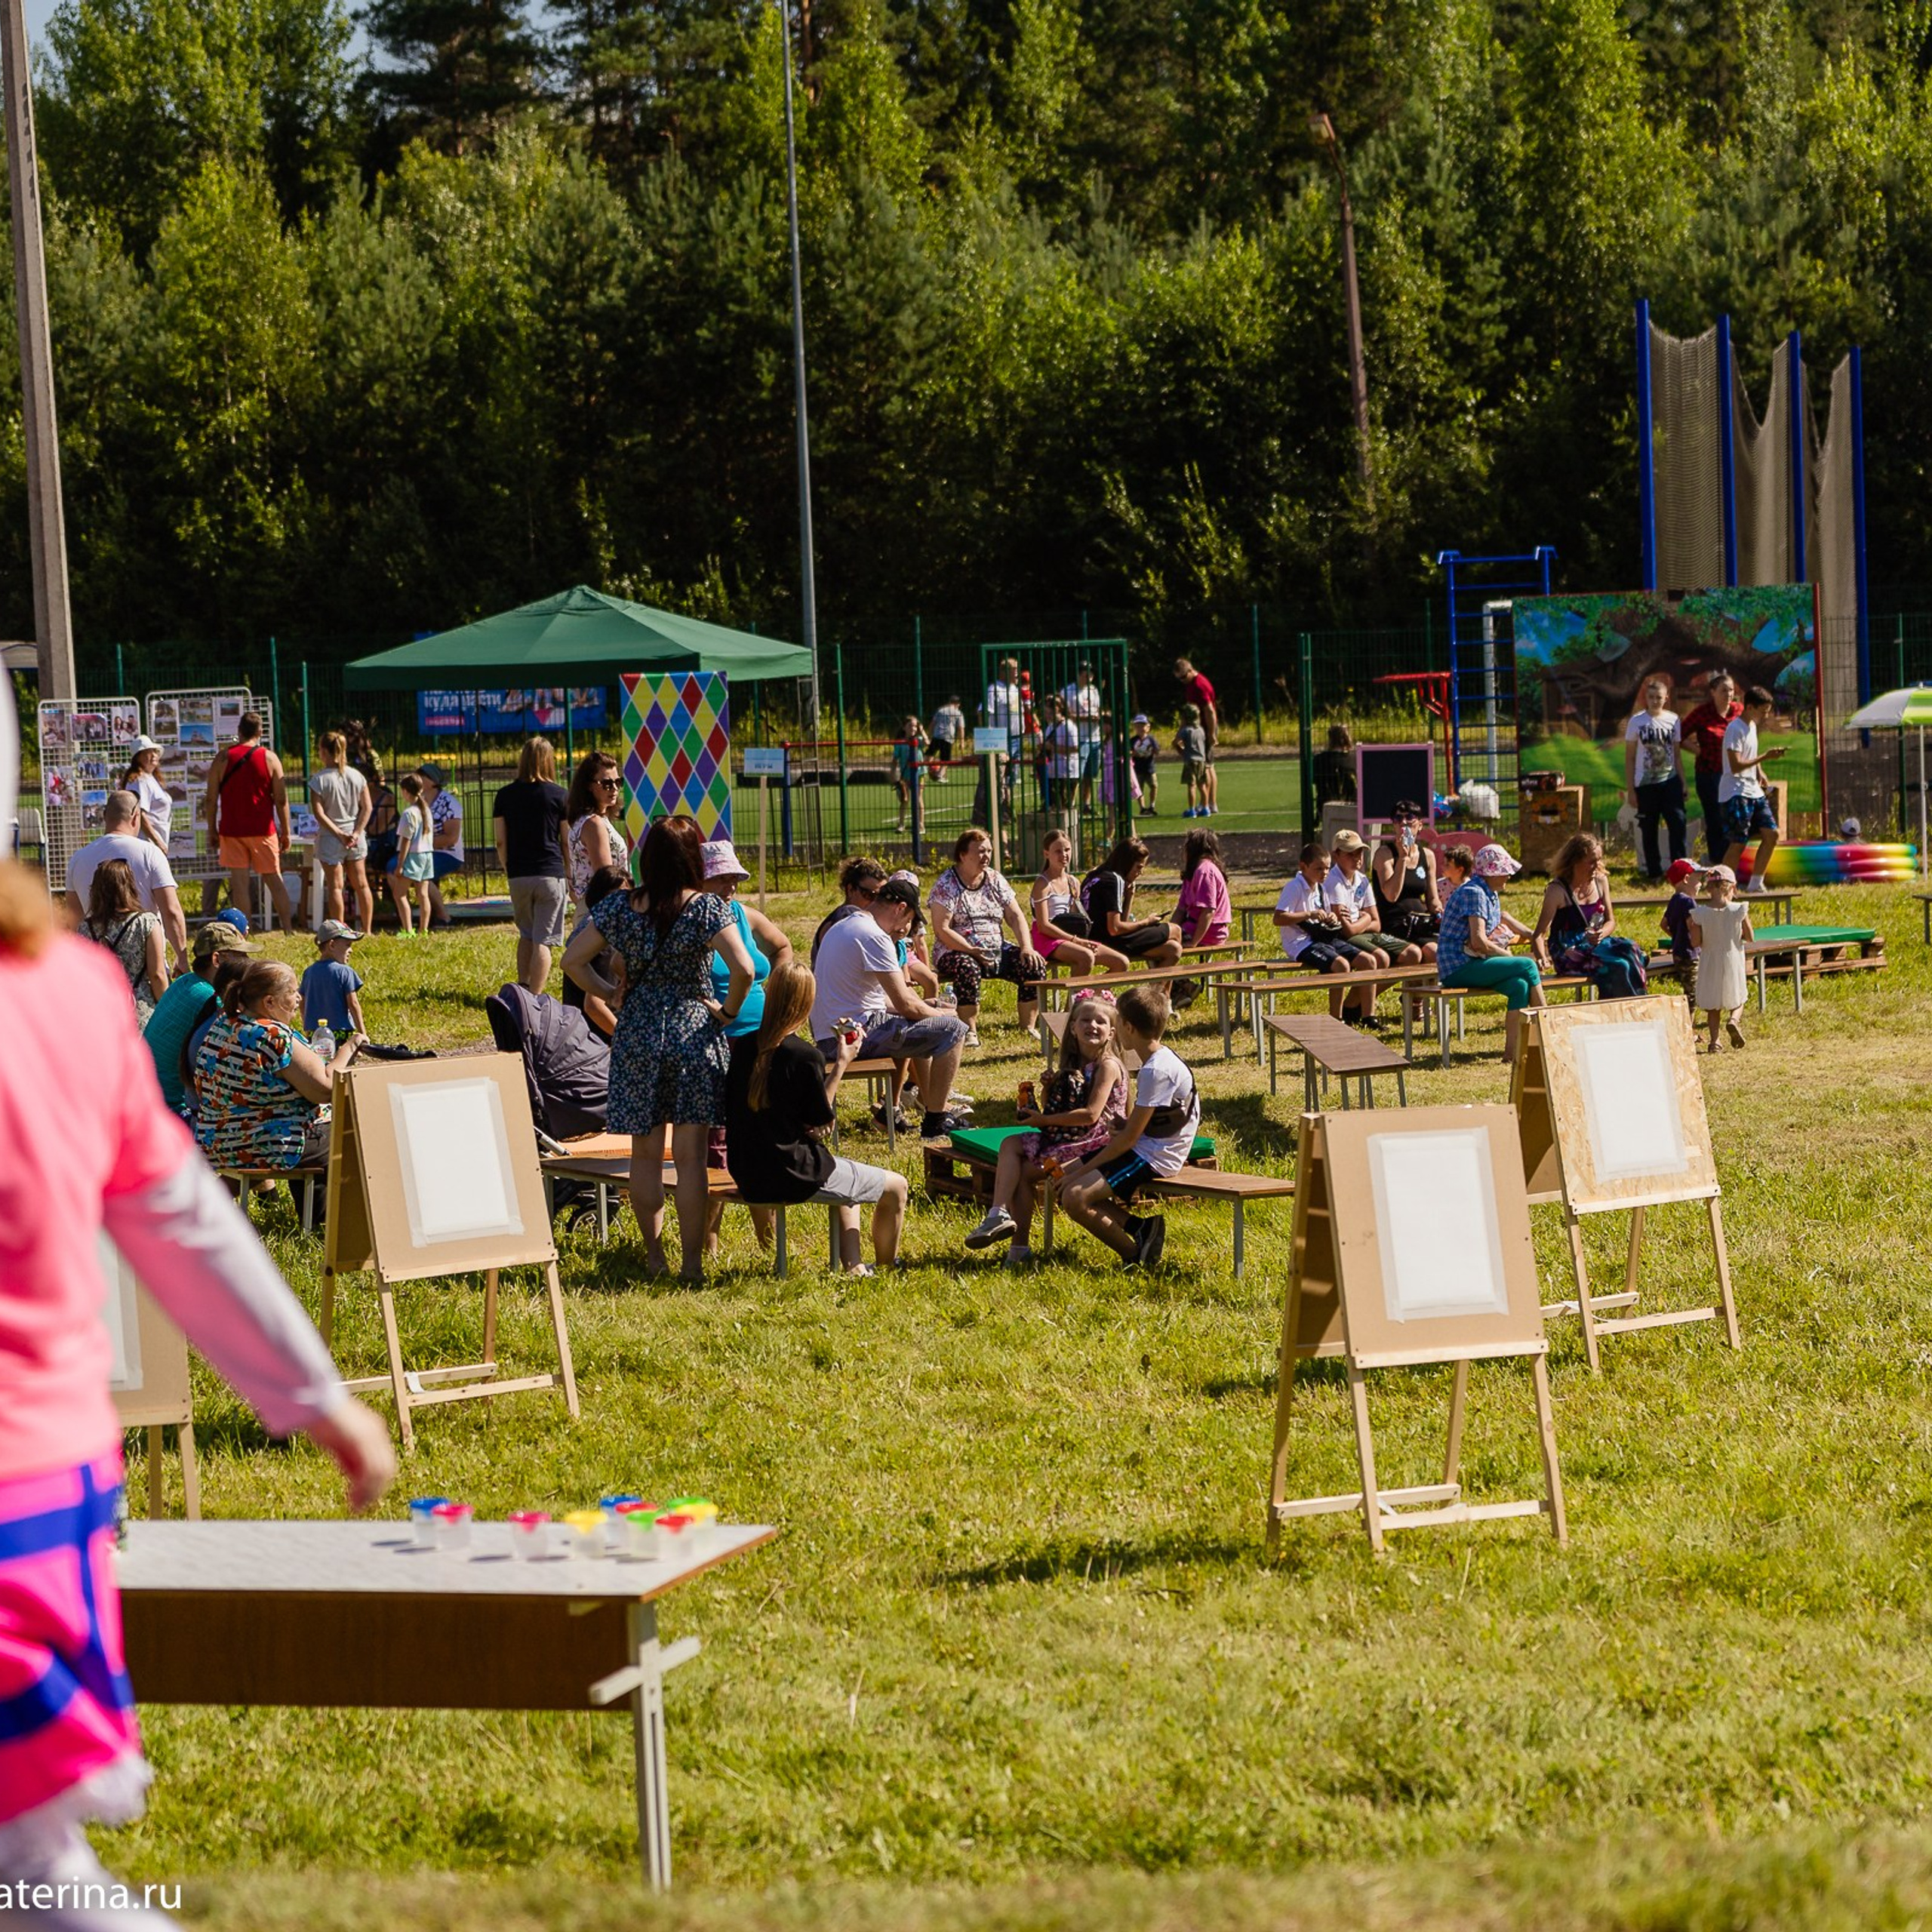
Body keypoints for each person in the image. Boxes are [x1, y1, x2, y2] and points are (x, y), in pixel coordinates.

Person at [0, 847, 393, 1924]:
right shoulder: (71, 991)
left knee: (33, 1873)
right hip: (50, 1488)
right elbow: (178, 1218)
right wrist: (314, 1395)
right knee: (34, 1865)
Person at [562, 816, 756, 1287]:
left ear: (647, 857)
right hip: (693, 1033)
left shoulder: (619, 906)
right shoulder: (707, 908)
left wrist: (611, 994)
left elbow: (571, 961)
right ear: (693, 859)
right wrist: (728, 1012)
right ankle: (692, 1265)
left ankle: (654, 1257)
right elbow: (746, 969)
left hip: (637, 1034)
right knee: (690, 1159)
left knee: (645, 1156)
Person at [725, 961, 908, 1275]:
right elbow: (821, 1122)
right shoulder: (804, 1055)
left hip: (748, 1171)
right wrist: (842, 1063)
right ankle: (887, 1266)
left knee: (850, 1182)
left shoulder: (743, 1047)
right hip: (792, 1173)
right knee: (897, 1187)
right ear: (807, 1002)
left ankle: (854, 1266)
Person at [964, 989, 1128, 1266]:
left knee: (1021, 1172)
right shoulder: (1075, 1064)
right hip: (1070, 1136)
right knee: (1010, 1143)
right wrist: (1048, 1090)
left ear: (1112, 1033)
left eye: (1101, 1022)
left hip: (1094, 1142)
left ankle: (1017, 1248)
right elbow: (1056, 1108)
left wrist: (1042, 1122)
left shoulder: (1108, 1066)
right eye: (1085, 1020)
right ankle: (997, 1214)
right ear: (1073, 1028)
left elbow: (1090, 1115)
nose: (1092, 1025)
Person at [810, 875, 970, 1135]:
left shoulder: (846, 925)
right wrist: (940, 1014)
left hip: (831, 1033)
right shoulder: (875, 935)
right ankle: (937, 1120)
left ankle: (908, 1107)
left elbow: (873, 999)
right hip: (851, 1036)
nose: (906, 928)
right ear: (901, 908)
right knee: (955, 1030)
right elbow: (906, 1005)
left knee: (923, 1023)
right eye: (909, 920)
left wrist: (925, 1007)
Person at [1057, 985, 1199, 1272]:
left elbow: (1127, 1141)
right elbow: (1158, 1117)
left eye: (1117, 1020)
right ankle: (1141, 1228)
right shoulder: (1158, 1060)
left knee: (1074, 1196)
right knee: (1061, 1175)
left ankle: (1137, 1257)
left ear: (1128, 1027)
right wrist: (1126, 1123)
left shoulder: (1156, 1070)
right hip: (1147, 1144)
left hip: (1156, 1157)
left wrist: (1082, 1173)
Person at [194, 960, 361, 1171]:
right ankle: (320, 1194)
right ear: (270, 1002)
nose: (299, 998)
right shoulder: (273, 1036)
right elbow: (325, 1089)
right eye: (292, 992)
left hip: (215, 1143)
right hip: (266, 1144)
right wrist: (351, 1046)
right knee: (348, 1139)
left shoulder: (224, 1024)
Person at [929, 828, 1048, 1044]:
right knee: (967, 967)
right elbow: (942, 929)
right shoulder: (946, 884)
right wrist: (970, 950)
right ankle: (969, 1030)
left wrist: (1026, 947)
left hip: (996, 947)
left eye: (989, 851)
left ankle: (1028, 1026)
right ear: (963, 855)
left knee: (1033, 965)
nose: (986, 856)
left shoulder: (994, 878)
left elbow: (1015, 916)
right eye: (980, 852)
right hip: (956, 949)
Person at [1435, 842, 1545, 1064]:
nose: (1509, 876)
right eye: (1505, 871)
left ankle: (1511, 1054)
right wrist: (1510, 958)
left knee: (1519, 986)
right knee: (1527, 965)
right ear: (1491, 873)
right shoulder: (1474, 893)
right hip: (1458, 966)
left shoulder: (1490, 894)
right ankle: (1549, 1028)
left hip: (1474, 962)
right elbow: (1479, 942)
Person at [64, 792, 188, 973]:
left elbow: (74, 920)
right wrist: (182, 958)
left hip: (99, 968)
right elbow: (171, 911)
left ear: (105, 815)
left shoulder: (78, 859)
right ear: (136, 816)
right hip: (148, 967)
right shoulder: (150, 854)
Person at [145, 920, 252, 1115]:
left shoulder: (185, 981)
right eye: (240, 955)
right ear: (216, 959)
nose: (247, 961)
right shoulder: (208, 998)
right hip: (171, 1110)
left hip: (146, 1099)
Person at [203, 710, 294, 934]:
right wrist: (286, 831)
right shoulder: (270, 758)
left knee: (239, 884)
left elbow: (211, 799)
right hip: (263, 829)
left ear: (239, 731)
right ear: (260, 732)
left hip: (232, 829)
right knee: (274, 880)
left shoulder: (223, 758)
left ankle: (246, 931)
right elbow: (281, 799)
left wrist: (212, 829)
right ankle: (288, 928)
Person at [493, 737, 571, 995]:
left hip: (519, 874)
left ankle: (523, 989)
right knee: (544, 940)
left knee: (526, 933)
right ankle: (536, 998)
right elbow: (566, 841)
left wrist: (508, 868)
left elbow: (500, 840)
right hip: (550, 874)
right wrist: (569, 872)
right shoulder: (560, 795)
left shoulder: (505, 795)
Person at [1531, 832, 1647, 1000]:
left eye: (1599, 860)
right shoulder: (1557, 890)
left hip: (1596, 945)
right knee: (1619, 966)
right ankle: (1617, 1010)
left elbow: (1610, 921)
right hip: (1569, 952)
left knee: (1632, 949)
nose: (1597, 866)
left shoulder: (1600, 881)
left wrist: (1601, 933)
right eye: (1592, 861)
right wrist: (1542, 958)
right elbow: (1539, 934)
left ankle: (1639, 1003)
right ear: (1574, 861)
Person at [1274, 841, 1375, 1020]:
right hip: (1300, 944)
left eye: (1328, 868)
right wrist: (1308, 914)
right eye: (1319, 869)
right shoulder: (1294, 887)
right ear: (1303, 867)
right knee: (1342, 965)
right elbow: (1279, 918)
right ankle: (1337, 1018)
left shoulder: (1321, 888)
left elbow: (1327, 914)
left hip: (1321, 938)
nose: (1325, 873)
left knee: (1369, 961)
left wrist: (1332, 918)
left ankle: (1368, 1016)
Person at [1325, 828, 1421, 1016]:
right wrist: (1366, 918)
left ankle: (1353, 1004)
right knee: (1381, 958)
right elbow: (1348, 931)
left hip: (1365, 932)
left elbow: (1377, 923)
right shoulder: (1333, 882)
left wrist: (1365, 920)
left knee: (1413, 954)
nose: (1357, 858)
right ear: (1336, 855)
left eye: (1360, 853)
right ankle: (1366, 1013)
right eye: (1350, 854)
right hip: (1343, 937)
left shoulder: (1362, 880)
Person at [76, 858, 167, 1027]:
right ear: (129, 886)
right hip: (139, 1013)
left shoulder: (84, 928)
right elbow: (157, 975)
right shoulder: (146, 922)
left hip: (99, 1014)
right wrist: (167, 1010)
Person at [1029, 828, 1128, 978]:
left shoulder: (1073, 882)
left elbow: (1076, 918)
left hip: (1068, 936)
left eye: (1067, 850)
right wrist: (1076, 941)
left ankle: (1094, 991)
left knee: (1121, 962)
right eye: (1058, 851)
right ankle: (1075, 994)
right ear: (1046, 854)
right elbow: (1043, 926)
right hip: (1047, 938)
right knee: (1086, 957)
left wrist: (1080, 940)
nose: (1064, 855)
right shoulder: (1042, 884)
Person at [1081, 835, 1183, 968]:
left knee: (1173, 949)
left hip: (1096, 936)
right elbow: (1115, 929)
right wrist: (1147, 922)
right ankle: (1179, 980)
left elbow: (1121, 922)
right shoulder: (1114, 879)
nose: (1140, 873)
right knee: (1175, 930)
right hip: (1108, 941)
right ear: (1127, 863)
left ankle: (1159, 982)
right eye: (1139, 867)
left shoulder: (1094, 876)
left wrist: (1129, 896)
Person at [1719, 685, 1784, 890]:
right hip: (1736, 792)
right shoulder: (1734, 729)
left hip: (1754, 791)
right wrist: (1765, 757)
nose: (1766, 715)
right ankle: (1722, 887)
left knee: (1772, 835)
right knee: (1739, 842)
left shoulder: (1753, 727)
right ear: (1749, 707)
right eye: (1763, 711)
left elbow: (1751, 756)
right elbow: (1736, 765)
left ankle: (1756, 884)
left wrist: (1759, 771)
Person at [309, 729, 374, 934]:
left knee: (336, 887)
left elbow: (319, 813)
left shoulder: (319, 780)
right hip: (356, 837)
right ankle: (367, 930)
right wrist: (356, 832)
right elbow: (367, 807)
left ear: (323, 752)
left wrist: (339, 834)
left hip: (331, 838)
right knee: (362, 885)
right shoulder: (357, 776)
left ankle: (340, 932)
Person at [1623, 675, 1687, 878]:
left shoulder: (1673, 720)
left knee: (1678, 823)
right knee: (1649, 828)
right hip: (1646, 783)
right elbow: (1630, 758)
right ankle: (1654, 872)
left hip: (1670, 780)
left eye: (1659, 697)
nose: (1655, 701)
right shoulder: (1636, 721)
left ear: (1666, 698)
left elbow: (1677, 755)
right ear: (1645, 698)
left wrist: (1683, 782)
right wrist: (1631, 790)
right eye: (1651, 697)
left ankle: (1679, 871)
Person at [1679, 672, 1741, 866]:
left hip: (1734, 774)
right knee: (1715, 818)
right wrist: (1699, 751)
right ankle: (1717, 861)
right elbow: (1679, 736)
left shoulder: (1739, 711)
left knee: (1734, 817)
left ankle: (1734, 862)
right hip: (1709, 774)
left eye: (1731, 690)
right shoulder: (1702, 713)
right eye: (1724, 690)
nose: (1728, 694)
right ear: (1713, 692)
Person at [561, 863, 630, 1037]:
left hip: (575, 1036)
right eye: (620, 896)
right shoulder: (605, 940)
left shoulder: (586, 929)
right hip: (595, 1041)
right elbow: (594, 1006)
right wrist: (625, 1039)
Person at [1690, 863, 1753, 1051]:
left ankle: (1715, 1042)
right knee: (1739, 997)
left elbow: (1695, 942)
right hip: (1732, 958)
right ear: (1732, 887)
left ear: (1709, 888)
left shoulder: (1700, 913)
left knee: (1713, 1005)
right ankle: (1733, 1020)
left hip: (1710, 961)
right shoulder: (1738, 910)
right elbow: (1750, 937)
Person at [564, 750, 630, 916]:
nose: (614, 788)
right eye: (606, 783)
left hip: (592, 908)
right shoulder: (594, 824)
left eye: (618, 782)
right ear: (589, 786)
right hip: (601, 910)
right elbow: (607, 878)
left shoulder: (586, 820)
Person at [1371, 801, 1441, 956]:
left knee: (1439, 950)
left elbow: (1432, 899)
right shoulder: (1385, 854)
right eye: (1398, 818)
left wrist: (1439, 912)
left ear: (1420, 825)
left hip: (1419, 923)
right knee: (1419, 953)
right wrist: (1402, 859)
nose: (1403, 822)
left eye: (1409, 817)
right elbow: (1391, 895)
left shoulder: (1428, 855)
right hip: (1395, 922)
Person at [812, 856, 890, 964]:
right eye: (869, 895)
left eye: (882, 897)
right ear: (851, 890)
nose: (876, 902)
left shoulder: (868, 921)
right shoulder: (840, 921)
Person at [415, 761, 465, 925]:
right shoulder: (418, 802)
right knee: (393, 869)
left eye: (421, 776)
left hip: (447, 854)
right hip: (420, 852)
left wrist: (421, 845)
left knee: (419, 872)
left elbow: (451, 838)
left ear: (432, 781)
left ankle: (443, 917)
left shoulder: (449, 803)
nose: (417, 779)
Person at [301, 919, 366, 1037]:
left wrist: (307, 1028)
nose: (351, 950)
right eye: (348, 945)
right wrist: (363, 1034)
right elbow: (353, 1004)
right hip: (340, 1033)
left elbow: (302, 1001)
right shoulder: (345, 972)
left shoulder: (309, 972)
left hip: (315, 1033)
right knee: (344, 1050)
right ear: (332, 945)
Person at [389, 772, 433, 935]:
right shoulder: (426, 810)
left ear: (406, 791)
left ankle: (408, 931)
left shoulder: (409, 813)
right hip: (427, 854)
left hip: (413, 855)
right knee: (423, 894)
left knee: (399, 894)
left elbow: (406, 841)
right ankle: (424, 929)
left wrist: (400, 865)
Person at [1173, 657, 1219, 814]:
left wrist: (1211, 733)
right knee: (1207, 766)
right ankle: (1209, 803)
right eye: (1179, 679)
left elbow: (1210, 711)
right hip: (1199, 729)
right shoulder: (1191, 684)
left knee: (1206, 767)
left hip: (1204, 730)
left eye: (1183, 677)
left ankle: (1208, 804)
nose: (1182, 681)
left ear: (1191, 671)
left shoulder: (1199, 685)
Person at [1174, 827, 1233, 949]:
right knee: (1156, 938)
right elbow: (1181, 910)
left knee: (1158, 946)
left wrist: (1193, 942)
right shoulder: (1192, 872)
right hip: (1191, 927)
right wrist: (1169, 930)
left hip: (1207, 932)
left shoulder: (1205, 871)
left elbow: (1208, 911)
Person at [1060, 660, 1105, 811]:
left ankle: (1086, 804)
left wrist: (1100, 716)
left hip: (1095, 737)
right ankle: (1070, 803)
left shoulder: (1093, 690)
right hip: (1078, 738)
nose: (1089, 678)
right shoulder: (1068, 692)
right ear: (1079, 675)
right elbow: (1063, 715)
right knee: (1075, 774)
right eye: (1086, 675)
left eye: (1091, 675)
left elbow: (1098, 709)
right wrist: (1085, 718)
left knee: (1090, 775)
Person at [981, 654, 1025, 808]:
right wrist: (992, 742)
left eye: (1017, 669)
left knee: (1012, 777)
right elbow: (983, 713)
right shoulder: (994, 690)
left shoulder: (1015, 689)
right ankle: (998, 807)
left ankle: (1008, 808)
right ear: (1004, 671)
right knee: (999, 776)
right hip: (1001, 739)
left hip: (1017, 738)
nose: (1017, 672)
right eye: (1014, 669)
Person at [122, 735, 171, 852]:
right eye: (148, 752)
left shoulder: (151, 778)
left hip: (154, 844)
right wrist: (158, 842)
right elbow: (140, 815)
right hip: (147, 844)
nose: (154, 755)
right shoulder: (140, 781)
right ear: (138, 757)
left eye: (155, 751)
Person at [1661, 855, 1701, 992]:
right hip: (1691, 954)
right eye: (1698, 880)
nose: (1701, 884)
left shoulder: (1674, 900)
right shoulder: (1689, 902)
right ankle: (1691, 1008)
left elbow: (1663, 924)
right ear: (1686, 879)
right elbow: (1693, 926)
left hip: (1678, 952)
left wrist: (1677, 937)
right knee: (1694, 991)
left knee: (1688, 988)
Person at [1035, 693, 1079, 811]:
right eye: (1045, 713)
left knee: (1064, 808)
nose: (1047, 716)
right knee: (1054, 806)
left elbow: (1075, 748)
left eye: (1050, 713)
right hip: (1052, 772)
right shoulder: (1050, 727)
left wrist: (1052, 747)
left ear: (1059, 710)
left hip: (1067, 773)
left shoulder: (1068, 726)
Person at [1174, 704, 1210, 819]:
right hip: (1201, 760)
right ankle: (1205, 808)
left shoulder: (1185, 730)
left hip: (1190, 761)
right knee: (1202, 785)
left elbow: (1176, 742)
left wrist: (1181, 750)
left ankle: (1192, 810)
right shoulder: (1201, 730)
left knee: (1191, 786)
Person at [1312, 724, 1357, 814]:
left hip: (1325, 807)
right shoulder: (1355, 759)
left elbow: (1314, 781)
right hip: (1352, 807)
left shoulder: (1319, 760)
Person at [893, 717, 928, 832]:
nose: (913, 728)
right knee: (905, 800)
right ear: (904, 727)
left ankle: (921, 825)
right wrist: (894, 777)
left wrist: (922, 730)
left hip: (919, 774)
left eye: (915, 726)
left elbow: (928, 743)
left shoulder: (919, 739)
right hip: (905, 775)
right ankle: (901, 824)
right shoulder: (900, 743)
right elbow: (895, 761)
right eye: (910, 726)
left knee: (918, 798)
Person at [928, 695, 965, 779]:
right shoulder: (958, 713)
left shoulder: (940, 710)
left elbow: (932, 724)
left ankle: (929, 769)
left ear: (949, 702)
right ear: (958, 704)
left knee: (930, 754)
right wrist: (962, 742)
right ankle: (940, 775)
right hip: (948, 738)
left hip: (937, 736)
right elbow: (961, 729)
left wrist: (929, 736)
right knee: (945, 760)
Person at [1129, 712, 1159, 814]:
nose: (1140, 728)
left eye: (1142, 725)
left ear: (1148, 727)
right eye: (1137, 726)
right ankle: (1142, 808)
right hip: (1137, 768)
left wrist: (1150, 751)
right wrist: (1135, 753)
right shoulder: (1133, 740)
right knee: (1139, 789)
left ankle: (1152, 806)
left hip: (1149, 767)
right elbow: (1129, 752)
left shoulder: (1151, 739)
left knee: (1154, 786)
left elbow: (1157, 750)